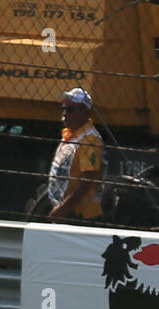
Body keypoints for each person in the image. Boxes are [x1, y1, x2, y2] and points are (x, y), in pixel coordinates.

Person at [47, 87, 103, 223]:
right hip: (66, 210)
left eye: (70, 110)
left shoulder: (89, 140)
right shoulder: (71, 135)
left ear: (85, 112)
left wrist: (64, 207)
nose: (65, 113)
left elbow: (88, 178)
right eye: (64, 109)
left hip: (80, 215)